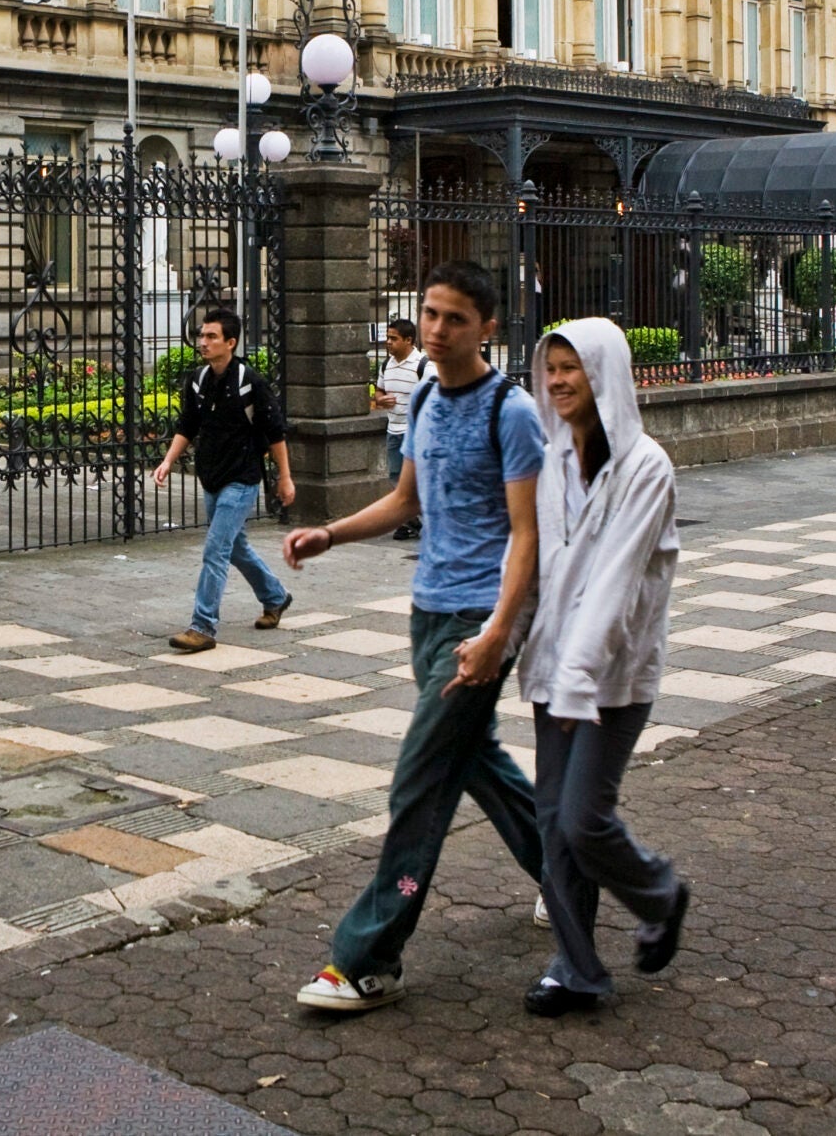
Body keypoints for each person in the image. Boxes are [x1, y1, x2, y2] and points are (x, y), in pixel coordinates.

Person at [283, 260, 547, 1014]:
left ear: (486, 326)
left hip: (479, 619)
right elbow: (405, 500)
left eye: (454, 318)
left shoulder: (512, 412)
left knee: (419, 779)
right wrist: (331, 533)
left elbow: (527, 536)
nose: (435, 329)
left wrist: (500, 632)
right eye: (429, 313)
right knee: (475, 761)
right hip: (428, 610)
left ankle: (368, 958)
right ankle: (569, 872)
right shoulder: (426, 394)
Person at [517, 320, 689, 1016]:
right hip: (553, 667)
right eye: (552, 367)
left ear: (604, 374)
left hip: (613, 675)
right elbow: (533, 565)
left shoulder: (647, 467)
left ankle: (660, 893)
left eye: (573, 368)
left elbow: (615, 581)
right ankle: (576, 969)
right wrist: (503, 641)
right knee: (552, 825)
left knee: (584, 818)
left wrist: (578, 680)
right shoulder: (551, 459)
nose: (559, 380)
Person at [152, 307, 296, 652]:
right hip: (212, 477)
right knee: (236, 547)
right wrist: (168, 461)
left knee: (216, 549)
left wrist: (285, 478)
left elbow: (276, 433)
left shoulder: (250, 382)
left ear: (230, 342)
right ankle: (275, 597)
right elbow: (188, 425)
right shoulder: (198, 379)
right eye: (202, 335)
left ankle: (202, 626)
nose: (203, 342)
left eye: (211, 336)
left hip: (242, 479)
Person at [370, 318, 432, 541]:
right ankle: (409, 521)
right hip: (393, 430)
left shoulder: (424, 366)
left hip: (415, 432)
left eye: (393, 338)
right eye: (387, 338)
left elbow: (436, 398)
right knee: (396, 476)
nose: (388, 342)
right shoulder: (386, 365)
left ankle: (430, 521)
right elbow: (378, 391)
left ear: (408, 340)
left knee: (418, 479)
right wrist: (380, 399)